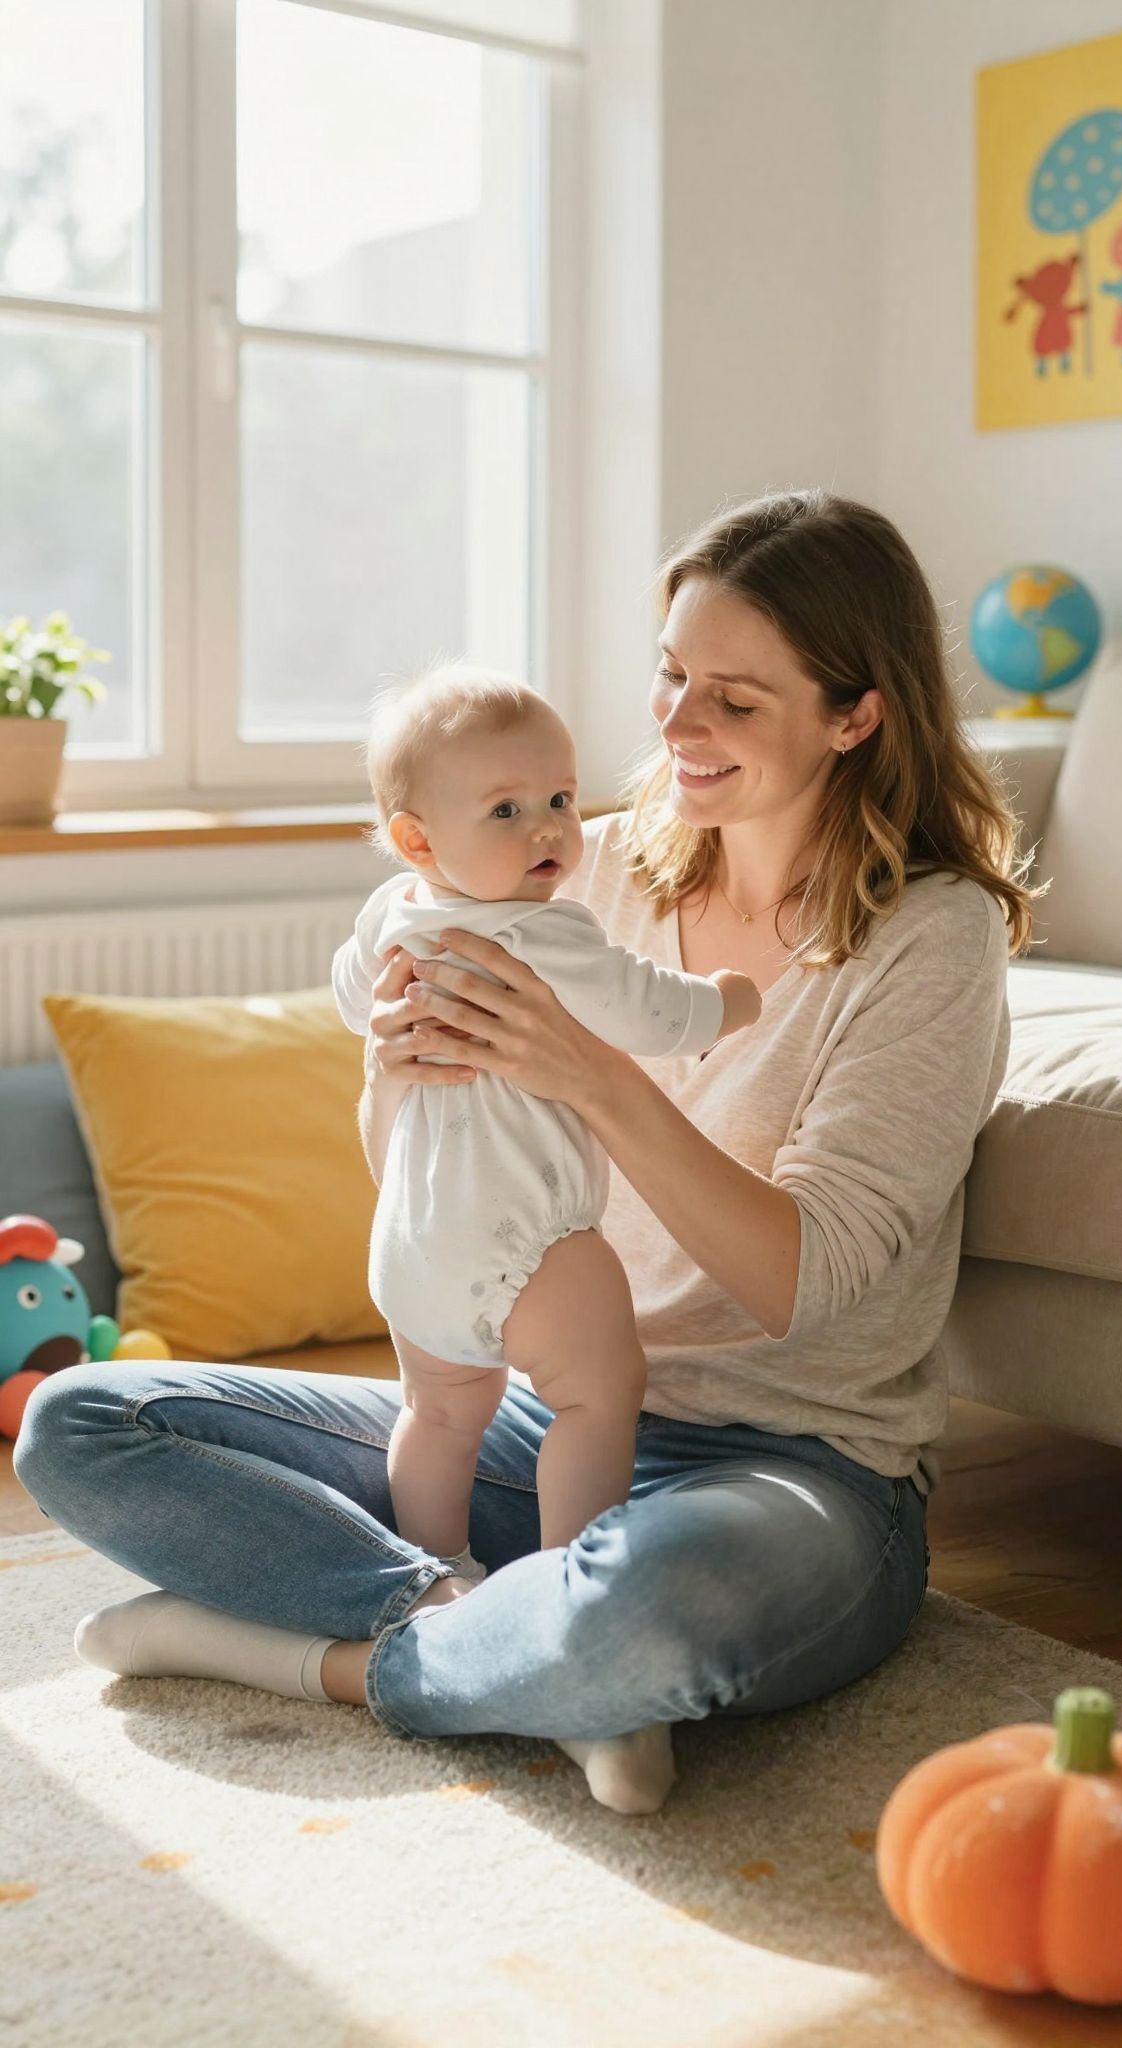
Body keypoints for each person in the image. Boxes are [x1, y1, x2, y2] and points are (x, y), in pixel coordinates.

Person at [14, 489, 1037, 1818]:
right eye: (672, 676)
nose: (676, 728)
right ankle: (485, 1635)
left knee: (653, 1618)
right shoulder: (570, 866)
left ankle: (300, 1654)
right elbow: (431, 1173)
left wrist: (600, 1082)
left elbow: (808, 1283)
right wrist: (397, 1072)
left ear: (856, 714)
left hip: (790, 1470)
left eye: (734, 698)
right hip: (531, 1414)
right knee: (82, 1421)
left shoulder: (931, 941)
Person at [330, 663, 760, 1572]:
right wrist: (727, 1001)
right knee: (601, 1395)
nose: (550, 829)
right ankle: (571, 1574)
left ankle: (433, 1570)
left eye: (560, 798)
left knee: (437, 1412)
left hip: (411, 1246)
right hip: (530, 1235)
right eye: (506, 811)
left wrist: (380, 1017)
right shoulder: (549, 936)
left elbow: (349, 992)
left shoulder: (391, 916)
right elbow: (649, 1009)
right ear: (417, 838)